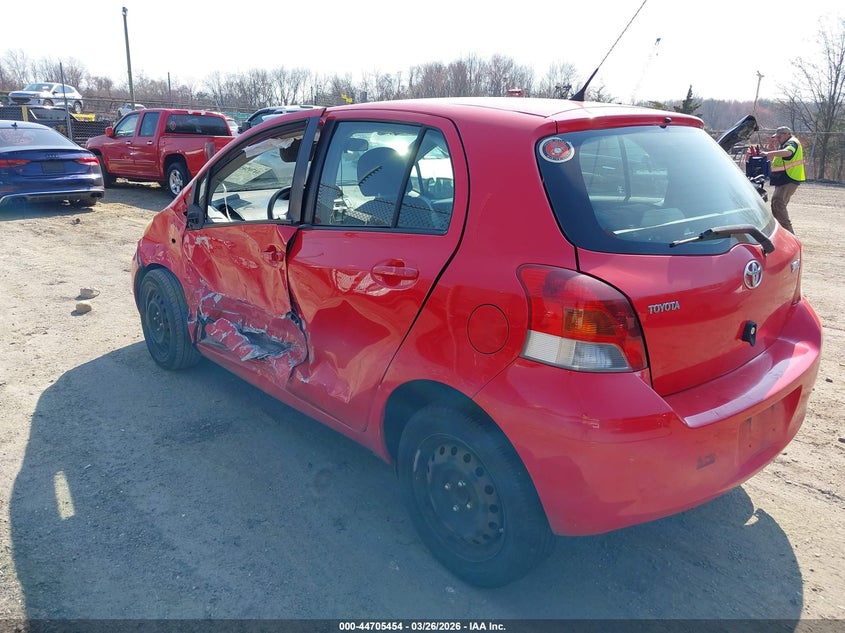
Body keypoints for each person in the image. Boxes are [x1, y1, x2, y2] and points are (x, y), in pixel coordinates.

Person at [761, 126, 805, 234]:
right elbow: (779, 159)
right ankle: (782, 233)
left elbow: (788, 153)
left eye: (779, 137)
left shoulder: (792, 143)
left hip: (789, 177)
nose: (777, 139)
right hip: (783, 178)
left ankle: (789, 235)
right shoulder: (785, 143)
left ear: (787, 134)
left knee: (778, 202)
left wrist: (769, 153)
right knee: (776, 205)